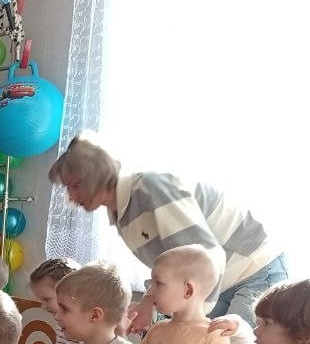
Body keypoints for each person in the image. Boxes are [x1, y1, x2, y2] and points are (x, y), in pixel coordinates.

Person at [49, 132, 288, 331]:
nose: (71, 196)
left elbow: (205, 257)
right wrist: (149, 301)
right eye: (68, 187)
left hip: (253, 269)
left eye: (76, 185)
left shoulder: (150, 191)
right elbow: (172, 265)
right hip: (221, 279)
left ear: (96, 175)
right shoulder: (122, 214)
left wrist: (187, 322)